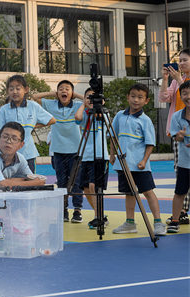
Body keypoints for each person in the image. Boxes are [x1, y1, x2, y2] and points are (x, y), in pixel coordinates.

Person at [110, 83, 166, 236]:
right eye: (133, 96)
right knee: (129, 193)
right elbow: (113, 136)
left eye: (140, 97)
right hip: (123, 165)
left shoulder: (145, 120)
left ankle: (158, 223)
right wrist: (112, 154)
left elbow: (150, 144)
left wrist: (144, 160)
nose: (136, 100)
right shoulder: (119, 116)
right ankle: (130, 223)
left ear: (146, 101)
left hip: (140, 165)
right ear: (128, 97)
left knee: (148, 192)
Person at [32, 80, 84, 223]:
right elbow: (34, 97)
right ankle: (64, 210)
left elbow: (87, 99)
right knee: (62, 182)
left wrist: (75, 95)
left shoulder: (79, 106)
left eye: (67, 89)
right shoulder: (52, 105)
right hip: (58, 151)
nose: (63, 91)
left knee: (76, 182)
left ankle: (77, 211)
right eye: (61, 89)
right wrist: (52, 93)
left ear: (72, 93)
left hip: (75, 151)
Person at [0, 74, 55, 173]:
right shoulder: (4, 109)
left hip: (28, 153)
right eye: (11, 89)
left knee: (28, 181)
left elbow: (52, 120)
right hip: (8, 154)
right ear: (8, 91)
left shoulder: (33, 106)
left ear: (26, 89)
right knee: (10, 183)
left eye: (18, 88)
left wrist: (34, 126)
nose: (15, 92)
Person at [159, 48, 190, 225]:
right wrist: (165, 79)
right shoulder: (176, 81)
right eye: (180, 60)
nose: (181, 63)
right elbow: (164, 98)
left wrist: (180, 81)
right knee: (181, 171)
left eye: (185, 60)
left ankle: (183, 210)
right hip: (178, 129)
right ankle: (182, 211)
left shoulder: (182, 81)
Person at [74, 88, 111, 230]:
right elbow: (77, 118)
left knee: (93, 186)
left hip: (100, 155)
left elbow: (105, 124)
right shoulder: (83, 114)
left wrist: (99, 107)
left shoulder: (103, 115)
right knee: (85, 187)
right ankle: (99, 214)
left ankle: (99, 216)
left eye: (94, 97)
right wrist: (83, 104)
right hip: (86, 156)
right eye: (88, 97)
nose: (91, 100)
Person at [0, 122, 46, 191]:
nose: (9, 141)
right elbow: (2, 185)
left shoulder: (20, 159)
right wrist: (34, 183)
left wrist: (10, 181)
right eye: (5, 137)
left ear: (21, 145)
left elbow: (31, 178)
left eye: (14, 139)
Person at [167, 81, 190, 233]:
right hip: (185, 162)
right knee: (179, 192)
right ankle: (175, 220)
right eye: (185, 93)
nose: (188, 96)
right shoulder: (177, 116)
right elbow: (176, 136)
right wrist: (179, 136)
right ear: (181, 96)